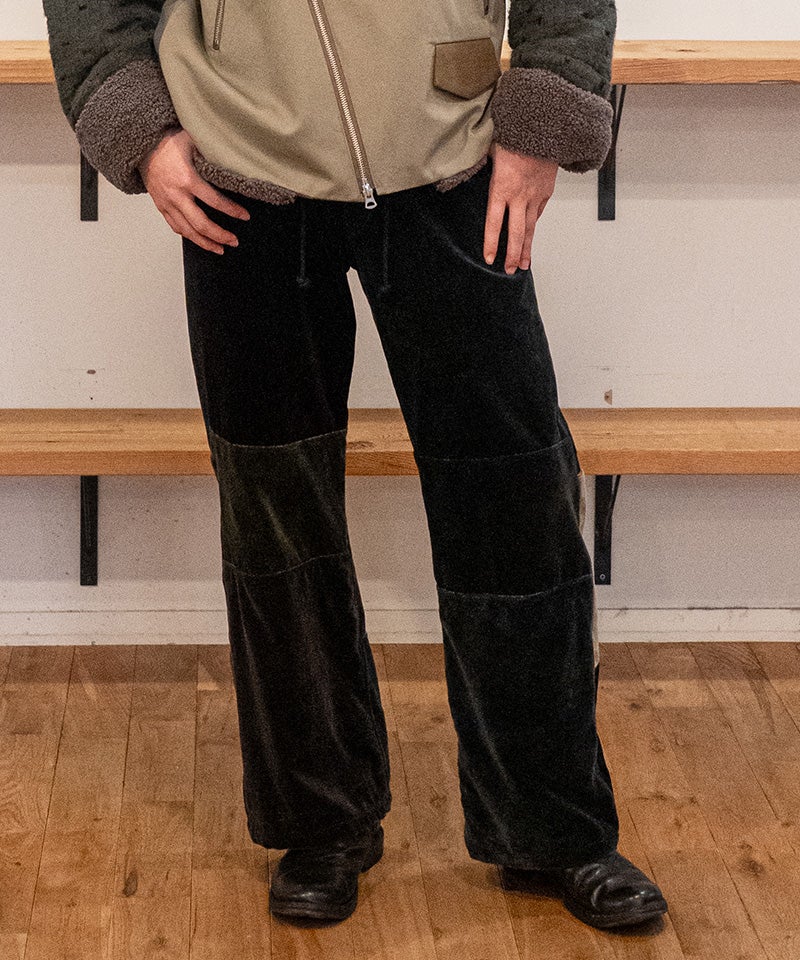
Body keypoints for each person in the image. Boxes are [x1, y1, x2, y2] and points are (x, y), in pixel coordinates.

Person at [43, 0, 668, 932]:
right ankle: (321, 823)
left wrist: (542, 120)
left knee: (515, 502)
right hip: (240, 178)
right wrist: (144, 133)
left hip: (450, 159)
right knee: (277, 519)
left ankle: (554, 827)